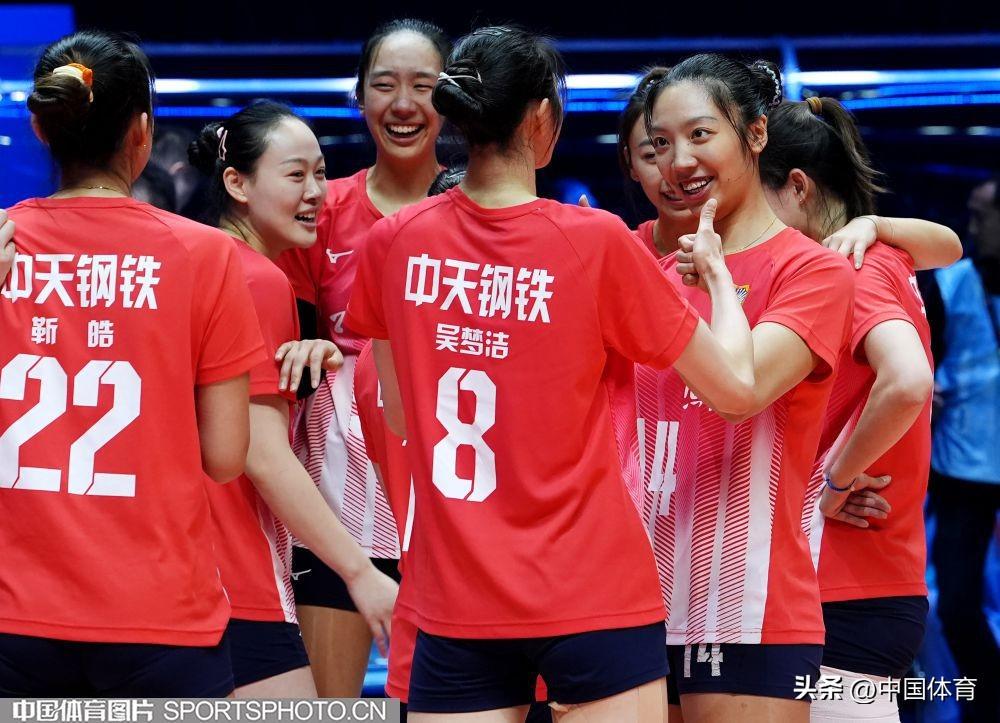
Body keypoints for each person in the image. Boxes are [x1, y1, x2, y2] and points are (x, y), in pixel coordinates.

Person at [347, 26, 761, 722]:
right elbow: (736, 390)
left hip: (456, 598)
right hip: (593, 590)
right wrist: (718, 276)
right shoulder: (592, 240)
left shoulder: (392, 241)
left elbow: (397, 415)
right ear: (542, 118)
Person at [0, 30, 264, 696]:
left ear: (40, 126)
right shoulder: (206, 255)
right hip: (159, 618)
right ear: (143, 132)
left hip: (12, 617)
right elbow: (225, 455)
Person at [639, 54, 857, 723]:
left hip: (747, 606)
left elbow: (742, 388)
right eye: (660, 143)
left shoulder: (813, 271)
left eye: (700, 135)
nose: (679, 161)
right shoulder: (646, 272)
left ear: (756, 134)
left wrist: (713, 277)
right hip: (630, 605)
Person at [186, 101, 400, 696]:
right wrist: (359, 572)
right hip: (233, 573)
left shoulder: (193, 261)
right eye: (296, 174)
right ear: (237, 184)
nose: (316, 193)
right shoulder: (255, 278)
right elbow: (260, 451)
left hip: (176, 571)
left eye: (322, 173)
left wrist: (324, 358)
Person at [759, 96, 961, 722]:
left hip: (846, 585)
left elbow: (908, 380)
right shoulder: (887, 255)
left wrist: (836, 480)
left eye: (756, 201)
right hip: (871, 582)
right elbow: (950, 245)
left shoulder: (853, 270)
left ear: (797, 186)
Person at [274, 19, 450, 697]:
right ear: (359, 97)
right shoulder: (322, 210)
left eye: (423, 86)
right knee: (329, 707)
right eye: (384, 85)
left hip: (450, 498)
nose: (403, 104)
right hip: (338, 499)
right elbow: (284, 348)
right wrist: (310, 346)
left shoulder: (477, 210)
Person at [922, 176, 1000, 723]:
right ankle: (985, 703)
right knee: (954, 604)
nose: (972, 227)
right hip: (960, 469)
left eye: (982, 215)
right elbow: (917, 362)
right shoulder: (949, 284)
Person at [617, 67, 692, 258]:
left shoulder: (755, 248)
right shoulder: (620, 252)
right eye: (651, 155)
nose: (676, 169)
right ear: (630, 163)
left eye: (695, 140)